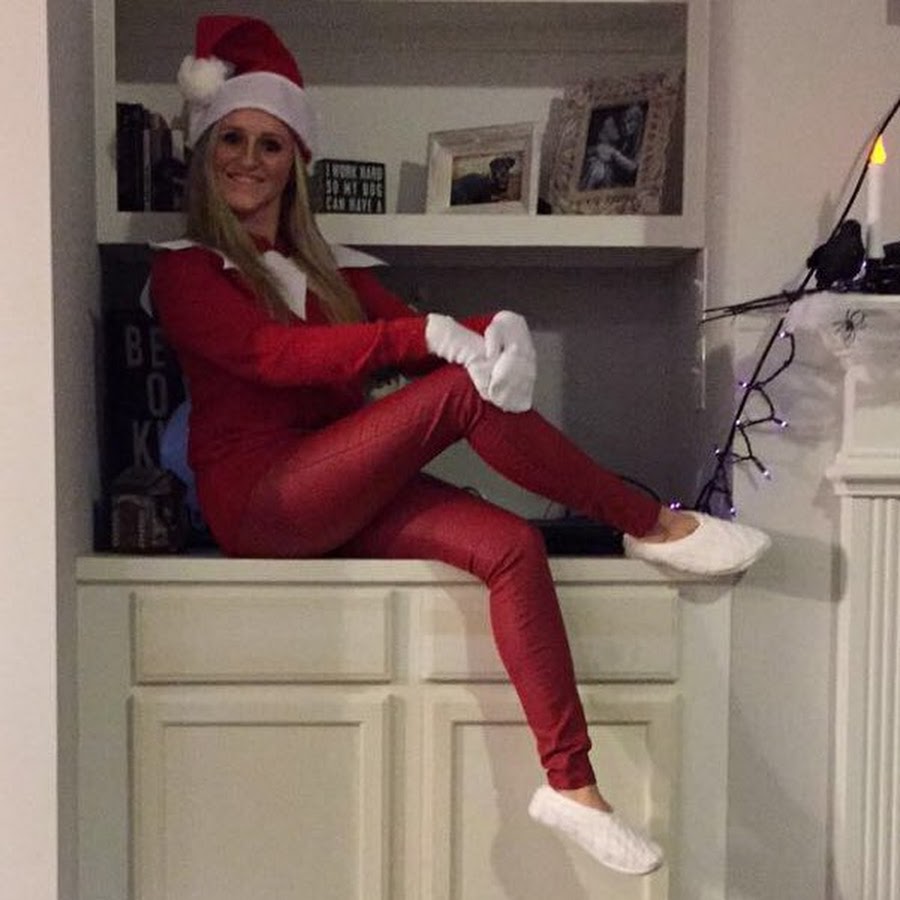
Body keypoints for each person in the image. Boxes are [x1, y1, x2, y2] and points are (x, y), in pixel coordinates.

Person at [150, 15, 770, 878]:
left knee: (509, 544)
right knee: (459, 392)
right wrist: (435, 340)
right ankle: (652, 524)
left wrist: (492, 330)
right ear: (206, 150)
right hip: (263, 504)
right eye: (233, 139)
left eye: (271, 143)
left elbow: (417, 334)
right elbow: (272, 357)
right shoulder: (185, 270)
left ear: (297, 162)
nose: (249, 159)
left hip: (337, 489)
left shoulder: (330, 272)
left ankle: (573, 785)